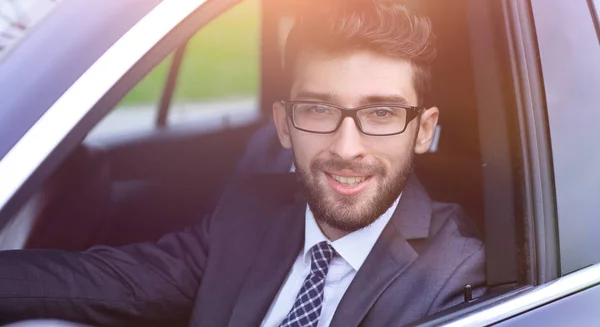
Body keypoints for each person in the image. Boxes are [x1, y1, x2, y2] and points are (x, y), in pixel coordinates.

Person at [0, 0, 486, 326]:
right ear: (283, 125)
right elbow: (110, 282)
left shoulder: (453, 276)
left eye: (381, 113)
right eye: (318, 109)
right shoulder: (250, 212)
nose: (346, 147)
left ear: (422, 130)